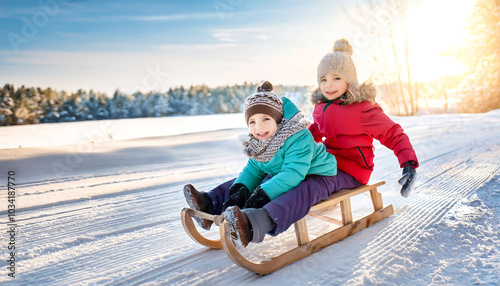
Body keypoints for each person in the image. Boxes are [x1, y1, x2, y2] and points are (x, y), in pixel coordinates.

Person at [184, 81, 340, 247]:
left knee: (298, 193)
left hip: (318, 175)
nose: (259, 127)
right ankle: (210, 204)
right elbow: (253, 170)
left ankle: (252, 223)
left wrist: (261, 196)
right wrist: (240, 191)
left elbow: (294, 174)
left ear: (279, 120)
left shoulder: (298, 137)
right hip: (285, 172)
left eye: (266, 118)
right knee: (248, 181)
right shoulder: (259, 142)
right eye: (252, 122)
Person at [308, 38, 419, 198]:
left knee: (312, 183)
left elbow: (392, 133)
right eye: (323, 79)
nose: (328, 85)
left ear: (350, 81)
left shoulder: (362, 108)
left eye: (336, 78)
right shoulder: (321, 107)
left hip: (354, 169)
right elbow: (316, 131)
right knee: (295, 172)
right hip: (329, 162)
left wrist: (409, 164)